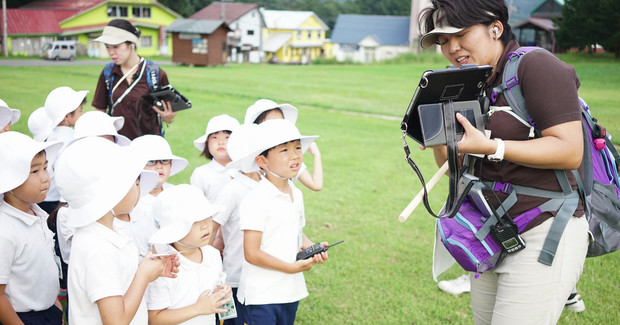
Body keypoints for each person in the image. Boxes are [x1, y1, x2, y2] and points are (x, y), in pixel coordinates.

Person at [419, 1, 589, 324]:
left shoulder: (535, 65)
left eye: (461, 34)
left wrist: (494, 146)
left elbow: (570, 150)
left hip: (546, 226)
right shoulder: (470, 82)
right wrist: (439, 134)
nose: (451, 48)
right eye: (442, 40)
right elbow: (452, 167)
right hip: (490, 231)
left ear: (495, 28)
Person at [54, 136, 179, 324]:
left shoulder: (104, 235)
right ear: (112, 191)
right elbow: (115, 321)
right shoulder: (98, 249)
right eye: (135, 181)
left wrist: (148, 268)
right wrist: (143, 276)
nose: (139, 187)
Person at [237, 119, 328, 325]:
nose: (295, 154)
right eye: (284, 150)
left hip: (289, 292)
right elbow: (251, 253)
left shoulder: (296, 193)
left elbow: (296, 231)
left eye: (297, 147)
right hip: (262, 297)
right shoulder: (256, 200)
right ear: (262, 161)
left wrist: (312, 247)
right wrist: (290, 268)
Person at [0, 131, 64, 325]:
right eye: (34, 172)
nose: (45, 177)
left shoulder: (37, 215)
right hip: (22, 318)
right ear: (9, 180)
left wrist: (56, 307)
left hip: (48, 311)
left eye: (45, 168)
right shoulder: (5, 231)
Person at [146, 184, 232, 325]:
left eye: (207, 217)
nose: (205, 225)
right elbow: (154, 318)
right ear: (173, 230)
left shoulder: (212, 255)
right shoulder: (163, 266)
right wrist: (198, 309)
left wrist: (221, 292)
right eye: (194, 222)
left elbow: (214, 292)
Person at [211, 123, 262, 325]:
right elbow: (211, 230)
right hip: (236, 279)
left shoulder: (273, 185)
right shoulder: (232, 190)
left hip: (266, 279)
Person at [91, 19, 176, 139]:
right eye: (107, 47)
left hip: (150, 148)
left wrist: (168, 117)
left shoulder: (155, 74)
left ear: (131, 44)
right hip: (117, 146)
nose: (111, 52)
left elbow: (167, 112)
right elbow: (99, 110)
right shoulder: (108, 73)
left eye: (116, 46)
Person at [129, 134, 189, 255]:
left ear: (171, 165)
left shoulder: (177, 194)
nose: (159, 166)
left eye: (164, 161)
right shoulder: (132, 201)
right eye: (151, 162)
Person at [245, 99, 323, 191]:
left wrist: (317, 155)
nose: (279, 126)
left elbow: (316, 185)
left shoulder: (289, 159)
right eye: (271, 123)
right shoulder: (246, 161)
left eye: (281, 121)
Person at [39, 86, 88, 215]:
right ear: (67, 116)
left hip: (45, 196)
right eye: (80, 111)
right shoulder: (71, 139)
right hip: (56, 201)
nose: (82, 114)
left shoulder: (52, 135)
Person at [191, 114, 240, 202]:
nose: (221, 142)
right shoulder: (201, 173)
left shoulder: (244, 170)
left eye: (227, 137)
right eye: (215, 137)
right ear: (206, 143)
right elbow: (195, 204)